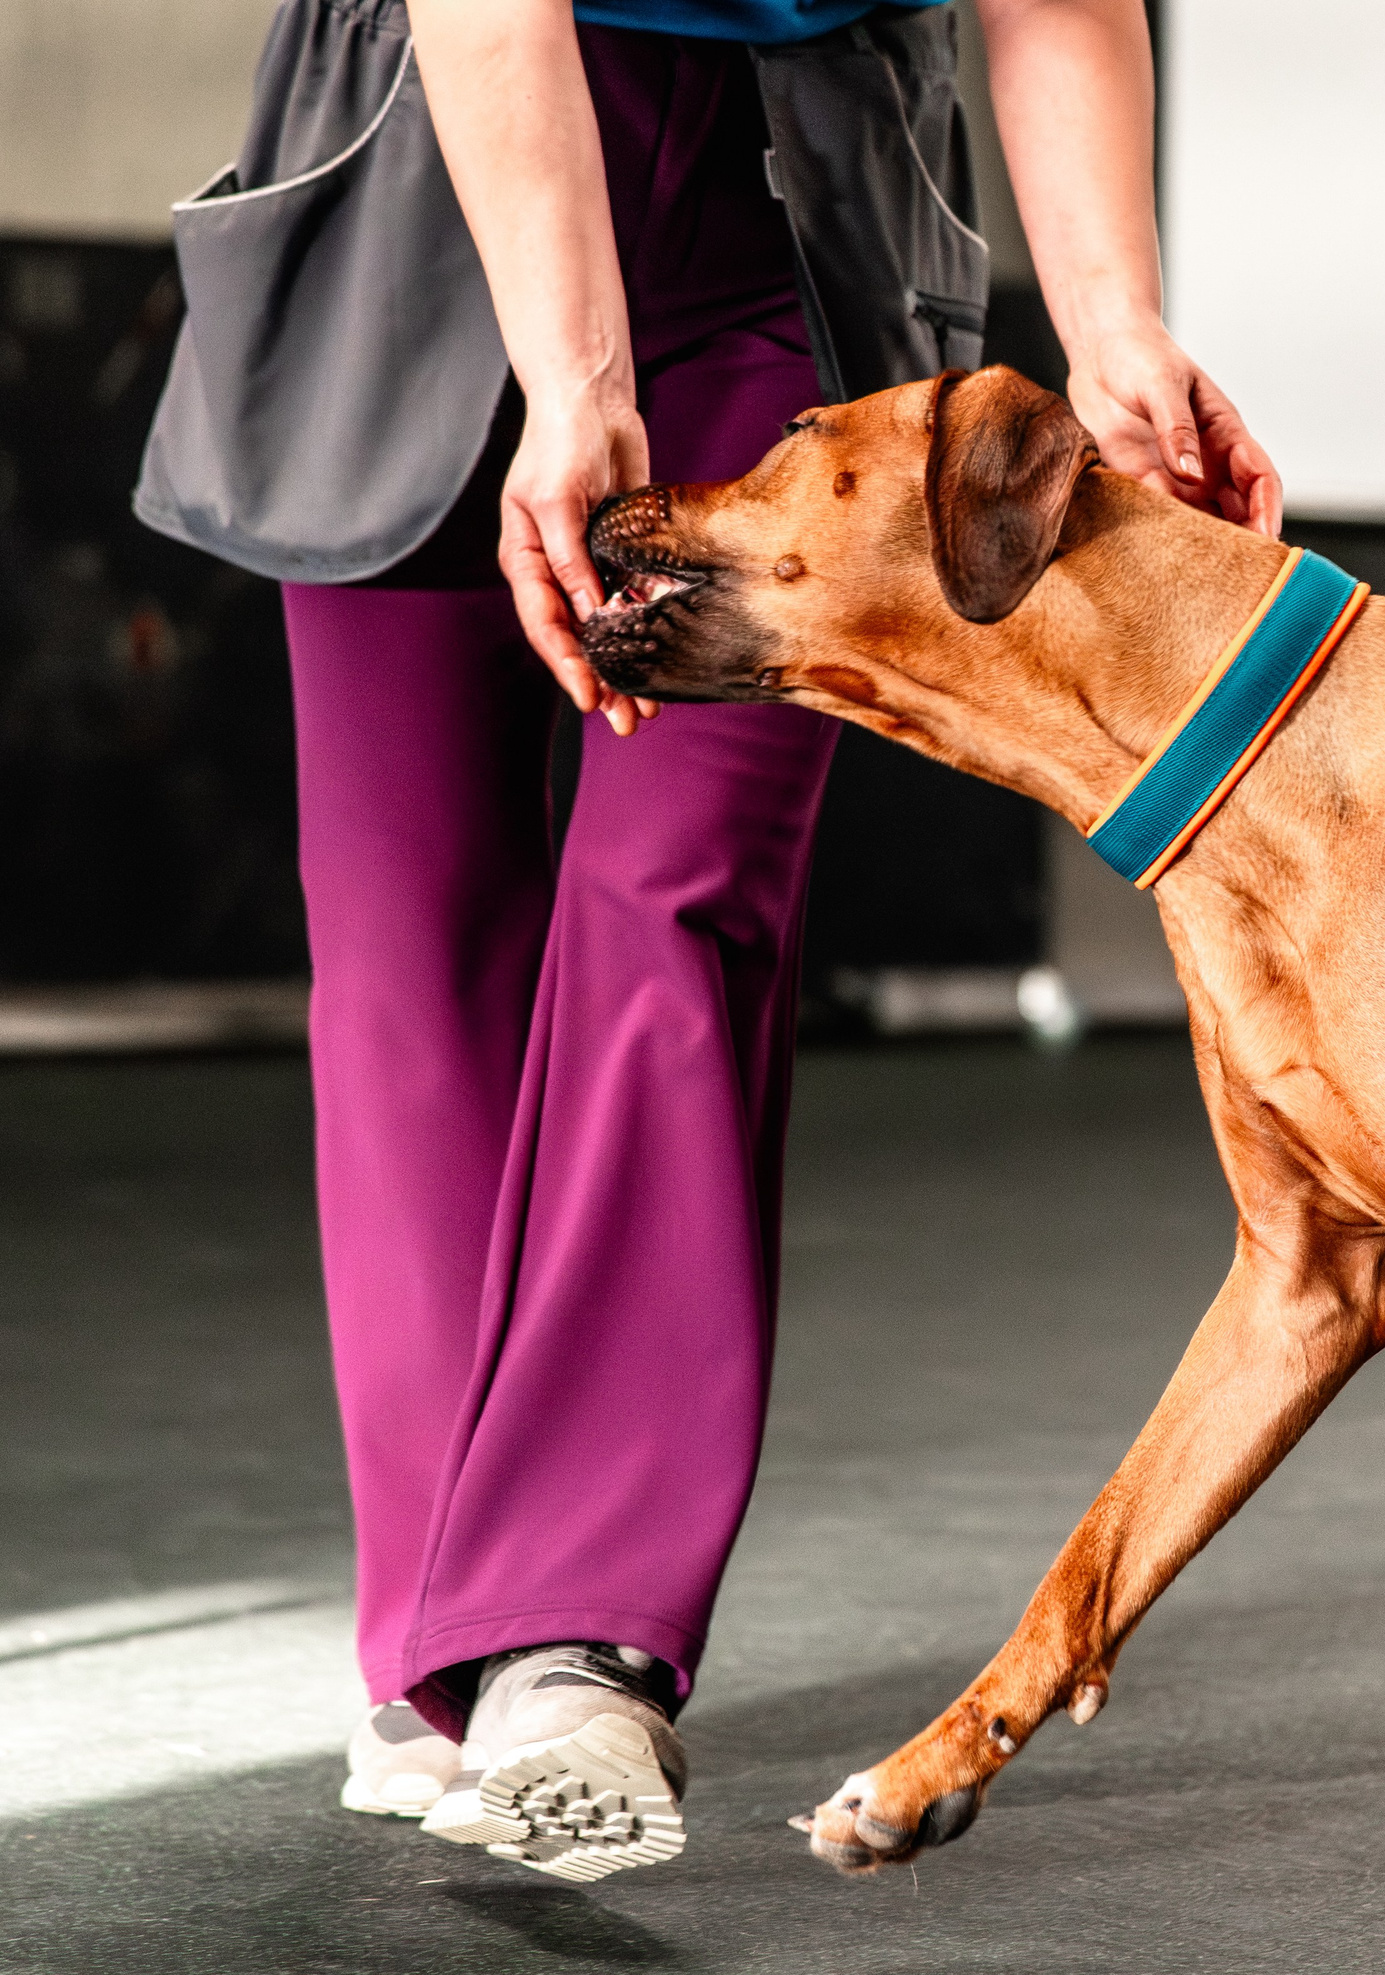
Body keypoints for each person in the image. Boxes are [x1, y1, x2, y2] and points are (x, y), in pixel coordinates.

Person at [139, 0, 1277, 1879]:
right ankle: (446, 1649)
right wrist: (573, 370)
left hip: (798, 212)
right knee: (421, 944)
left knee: (690, 893)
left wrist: (1115, 326)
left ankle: (574, 1639)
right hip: (438, 145)